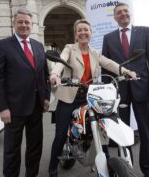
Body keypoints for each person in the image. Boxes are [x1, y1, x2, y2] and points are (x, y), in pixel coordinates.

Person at [48, 19, 137, 177]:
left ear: (90, 33)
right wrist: (55, 74)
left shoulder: (95, 53)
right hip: (69, 96)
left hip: (89, 96)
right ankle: (53, 167)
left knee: (102, 126)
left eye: (86, 30)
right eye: (79, 30)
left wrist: (126, 72)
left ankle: (107, 162)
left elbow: (110, 64)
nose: (83, 33)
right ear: (76, 34)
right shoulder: (70, 48)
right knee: (61, 134)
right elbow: (61, 61)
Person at [102, 3, 149, 177]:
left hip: (143, 89)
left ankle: (147, 170)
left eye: (125, 11)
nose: (123, 14)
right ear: (115, 17)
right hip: (120, 92)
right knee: (123, 133)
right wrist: (108, 91)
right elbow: (106, 68)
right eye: (119, 12)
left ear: (130, 14)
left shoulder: (144, 32)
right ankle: (127, 168)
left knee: (145, 131)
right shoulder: (109, 38)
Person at [0, 8, 50, 177]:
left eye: (27, 23)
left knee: (35, 147)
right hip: (13, 109)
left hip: (37, 107)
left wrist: (46, 97)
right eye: (20, 22)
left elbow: (43, 74)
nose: (24, 25)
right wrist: (2, 108)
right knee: (11, 150)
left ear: (32, 25)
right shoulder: (2, 45)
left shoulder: (38, 46)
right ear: (14, 24)